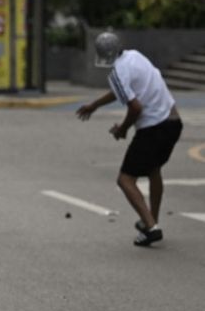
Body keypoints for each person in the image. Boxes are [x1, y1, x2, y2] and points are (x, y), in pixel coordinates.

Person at [76, 32, 183, 246]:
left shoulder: (117, 73)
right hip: (173, 123)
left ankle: (151, 228)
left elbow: (135, 107)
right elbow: (122, 90)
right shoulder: (136, 56)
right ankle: (151, 220)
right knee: (153, 170)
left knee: (125, 180)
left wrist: (123, 129)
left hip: (153, 128)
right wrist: (95, 105)